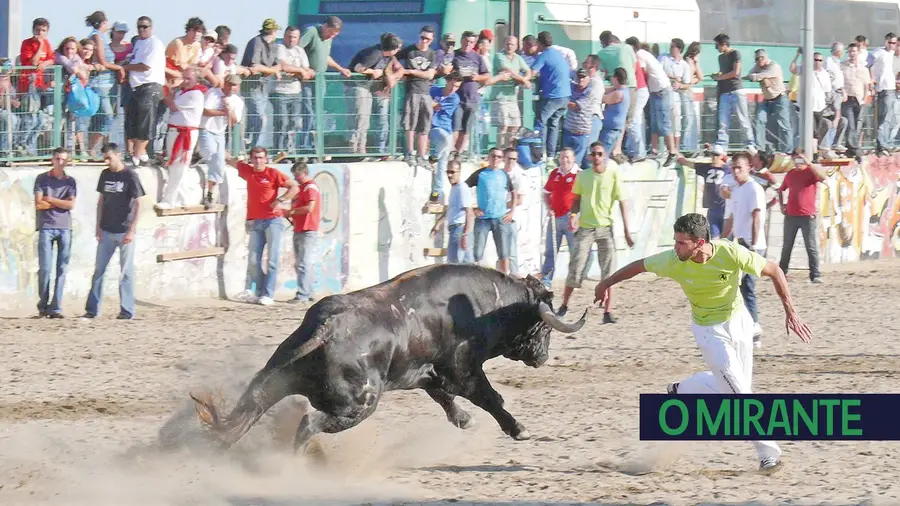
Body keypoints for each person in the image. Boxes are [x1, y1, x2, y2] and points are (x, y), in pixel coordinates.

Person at [593, 212, 812, 474]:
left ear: (699, 242)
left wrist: (791, 311)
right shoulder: (673, 260)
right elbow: (637, 266)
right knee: (740, 394)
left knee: (737, 387)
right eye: (674, 242)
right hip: (708, 330)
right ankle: (768, 453)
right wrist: (606, 283)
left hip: (740, 322)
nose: (675, 248)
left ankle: (686, 389)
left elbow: (774, 270)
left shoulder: (731, 253)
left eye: (681, 243)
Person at [556, 142, 634, 321]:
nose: (597, 157)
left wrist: (627, 230)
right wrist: (574, 214)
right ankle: (564, 305)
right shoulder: (583, 176)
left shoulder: (613, 174)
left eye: (600, 153)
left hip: (605, 227)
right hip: (586, 228)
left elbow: (622, 201)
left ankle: (608, 311)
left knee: (609, 271)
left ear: (604, 155)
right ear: (590, 157)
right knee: (575, 268)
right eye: (594, 154)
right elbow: (576, 198)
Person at [227, 147, 299, 306]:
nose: (258, 161)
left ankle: (268, 294)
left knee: (272, 260)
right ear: (251, 159)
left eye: (261, 158)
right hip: (255, 221)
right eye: (255, 158)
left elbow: (294, 186)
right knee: (253, 260)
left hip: (273, 220)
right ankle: (259, 291)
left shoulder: (273, 173)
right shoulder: (248, 171)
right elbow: (231, 160)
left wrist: (280, 200)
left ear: (266, 159)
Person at [83, 143, 146, 320]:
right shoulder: (105, 174)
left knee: (125, 272)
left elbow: (139, 203)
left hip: (124, 230)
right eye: (105, 158)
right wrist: (98, 226)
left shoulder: (130, 175)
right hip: (107, 230)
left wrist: (132, 230)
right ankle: (92, 309)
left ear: (118, 155)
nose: (107, 161)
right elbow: (101, 201)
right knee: (99, 271)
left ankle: (127, 310)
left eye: (109, 157)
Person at [721, 152, 768, 348]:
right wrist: (723, 240)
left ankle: (754, 328)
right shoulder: (737, 190)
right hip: (739, 243)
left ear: (750, 167)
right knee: (737, 288)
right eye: (733, 167)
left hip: (750, 244)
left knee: (747, 287)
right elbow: (731, 217)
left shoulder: (753, 189)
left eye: (739, 167)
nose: (735, 171)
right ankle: (748, 327)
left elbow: (756, 217)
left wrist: (754, 246)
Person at [34, 147, 76, 318]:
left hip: (65, 227)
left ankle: (56, 307)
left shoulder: (70, 181)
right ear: (52, 159)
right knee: (45, 269)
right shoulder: (42, 179)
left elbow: (71, 205)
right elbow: (38, 204)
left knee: (62, 268)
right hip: (46, 226)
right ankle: (43, 305)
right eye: (58, 159)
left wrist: (50, 199)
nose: (60, 162)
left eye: (63, 159)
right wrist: (61, 203)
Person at [777, 149, 827, 284]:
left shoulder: (811, 172)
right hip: (791, 215)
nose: (797, 162)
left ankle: (815, 274)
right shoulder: (791, 174)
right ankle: (782, 272)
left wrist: (808, 163)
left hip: (807, 215)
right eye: (795, 159)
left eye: (799, 159)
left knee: (811, 246)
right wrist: (782, 205)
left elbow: (823, 178)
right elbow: (781, 190)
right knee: (787, 245)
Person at [286, 161, 320, 305]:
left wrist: (291, 212)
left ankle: (303, 294)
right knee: (302, 263)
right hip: (300, 227)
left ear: (304, 173)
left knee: (303, 263)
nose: (296, 178)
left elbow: (310, 207)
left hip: (307, 228)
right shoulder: (303, 188)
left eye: (298, 175)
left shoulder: (310, 187)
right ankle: (308, 291)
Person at [430, 158, 474, 264]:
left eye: (452, 172)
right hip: (456, 229)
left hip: (459, 229)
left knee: (454, 266)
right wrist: (438, 224)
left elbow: (470, 213)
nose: (449, 175)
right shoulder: (455, 188)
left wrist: (465, 235)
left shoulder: (461, 189)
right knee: (466, 266)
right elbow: (451, 210)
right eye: (448, 172)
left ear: (459, 172)